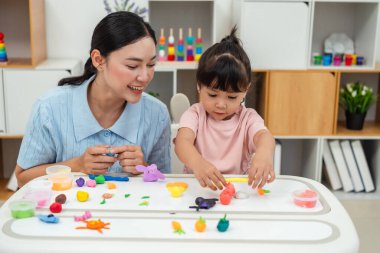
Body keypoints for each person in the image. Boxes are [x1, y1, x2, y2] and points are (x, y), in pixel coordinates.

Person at [15, 11, 171, 187]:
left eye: (151, 64)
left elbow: (165, 183)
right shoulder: (49, 108)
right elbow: (22, 178)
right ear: (98, 60)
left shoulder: (157, 114)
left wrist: (144, 168)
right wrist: (77, 165)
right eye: (132, 66)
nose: (145, 76)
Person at [174, 27, 275, 191]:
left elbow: (264, 137)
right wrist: (198, 164)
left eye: (232, 97)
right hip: (197, 188)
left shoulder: (247, 118)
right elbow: (182, 143)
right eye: (213, 95)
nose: (221, 104)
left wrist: (264, 154)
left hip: (237, 190)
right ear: (199, 86)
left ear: (245, 91)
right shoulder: (195, 114)